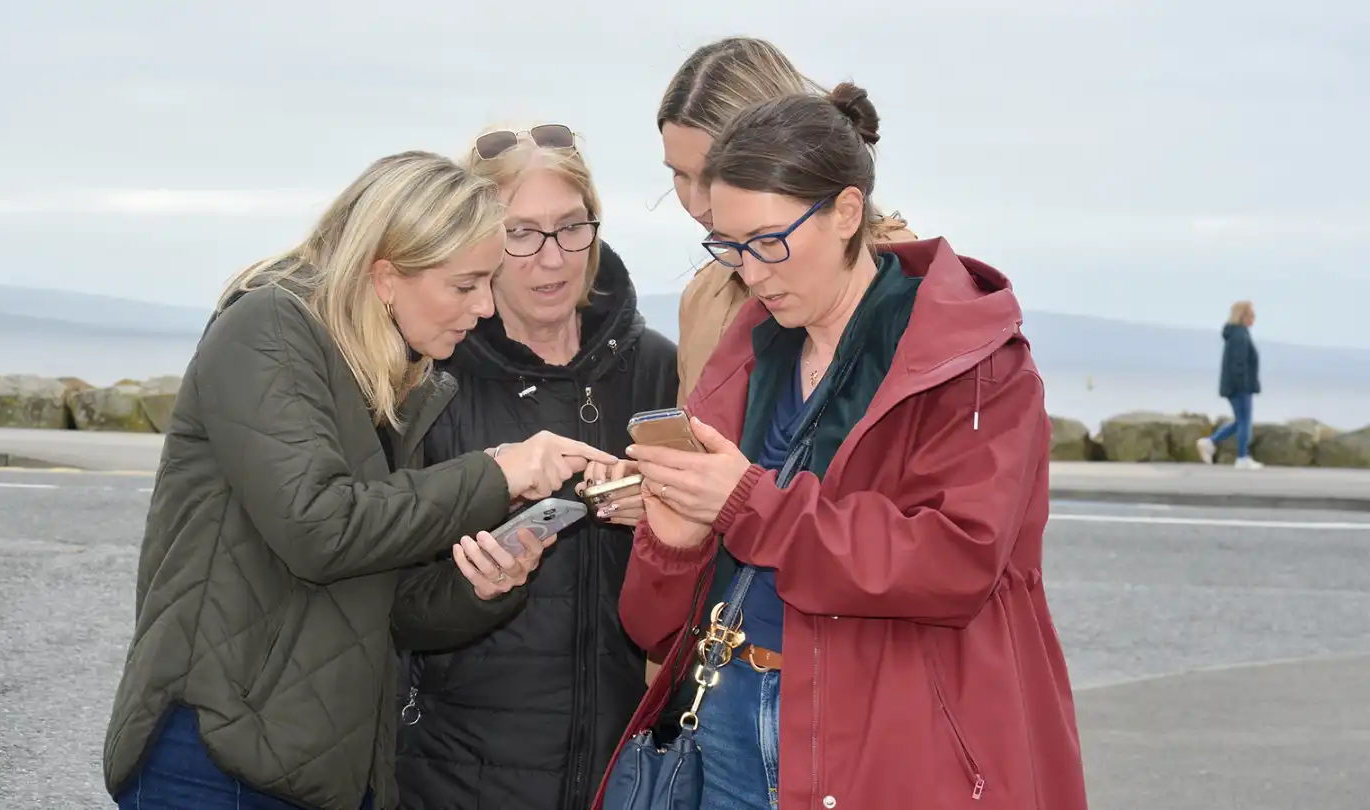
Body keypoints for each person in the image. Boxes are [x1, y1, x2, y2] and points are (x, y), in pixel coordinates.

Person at [596, 85, 1088, 810]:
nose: (751, 274)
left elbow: (955, 563)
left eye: (769, 243)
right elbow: (652, 625)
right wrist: (672, 544)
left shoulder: (974, 362)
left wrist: (744, 502)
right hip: (725, 719)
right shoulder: (748, 352)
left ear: (847, 212)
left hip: (889, 744)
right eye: (728, 247)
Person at [101, 150, 616, 810]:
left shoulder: (391, 376)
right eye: (465, 285)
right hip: (218, 756)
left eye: (488, 282)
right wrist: (495, 471)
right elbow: (321, 528)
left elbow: (387, 601)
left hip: (327, 767)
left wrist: (480, 586)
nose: (485, 307)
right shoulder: (267, 330)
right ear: (385, 276)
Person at [393, 126, 679, 810]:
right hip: (456, 772)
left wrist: (670, 520)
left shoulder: (661, 368)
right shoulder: (431, 380)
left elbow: (705, 578)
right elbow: (390, 599)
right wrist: (477, 586)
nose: (551, 260)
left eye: (570, 228)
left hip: (624, 766)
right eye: (519, 234)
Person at [658, 36, 919, 405]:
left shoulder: (902, 280)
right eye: (679, 175)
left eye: (713, 174)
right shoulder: (703, 297)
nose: (699, 204)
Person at [1197, 301, 1264, 468]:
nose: (1254, 319)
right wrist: (1244, 386)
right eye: (1251, 315)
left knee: (1240, 421)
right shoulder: (1240, 335)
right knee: (1244, 421)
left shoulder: (1237, 334)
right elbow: (1239, 364)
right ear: (1243, 316)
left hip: (1236, 385)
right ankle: (1242, 457)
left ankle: (1210, 442)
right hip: (1240, 386)